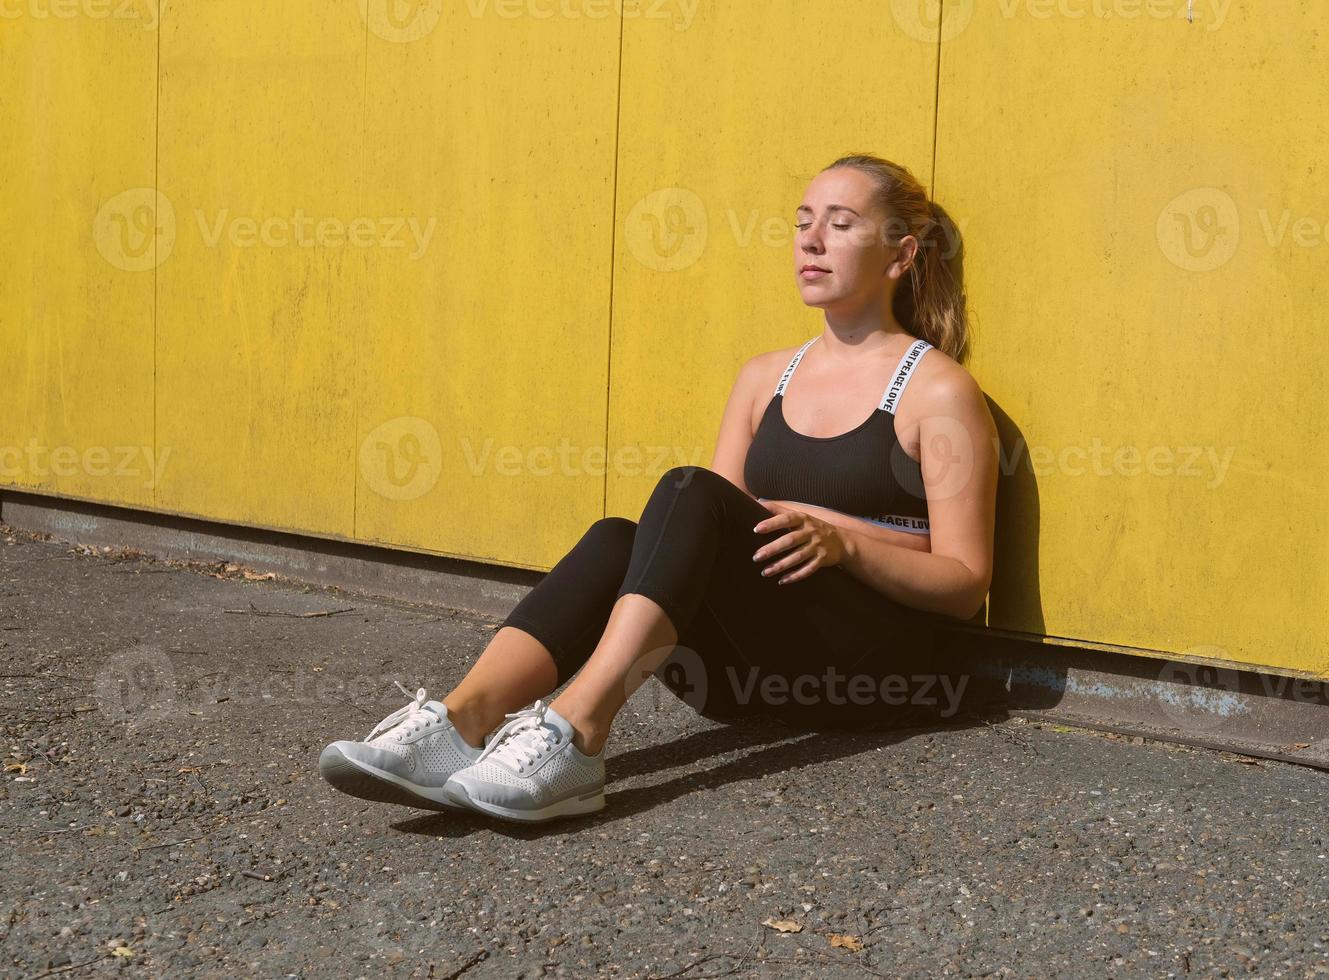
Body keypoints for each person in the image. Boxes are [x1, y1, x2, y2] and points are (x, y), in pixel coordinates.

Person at [319, 153, 999, 824]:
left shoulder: (935, 389)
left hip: (872, 673)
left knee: (686, 488)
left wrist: (844, 543)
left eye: (841, 224)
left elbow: (966, 584)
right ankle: (461, 722)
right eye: (802, 223)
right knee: (624, 536)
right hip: (753, 675)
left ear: (900, 255)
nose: (811, 241)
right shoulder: (764, 378)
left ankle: (576, 732)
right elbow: (713, 534)